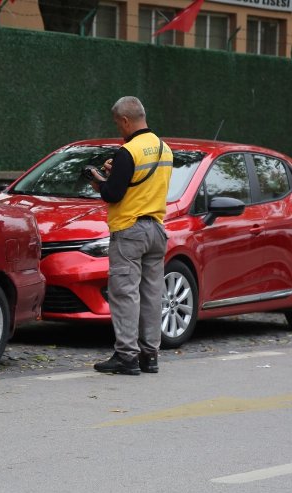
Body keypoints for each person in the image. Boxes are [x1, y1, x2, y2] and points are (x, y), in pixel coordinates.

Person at [87, 96, 173, 375]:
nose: (118, 129)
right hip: (157, 229)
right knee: (151, 294)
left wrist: (99, 181)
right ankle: (150, 355)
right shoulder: (165, 149)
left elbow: (114, 194)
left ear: (125, 120)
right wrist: (117, 175)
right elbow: (140, 183)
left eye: (117, 123)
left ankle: (126, 357)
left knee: (125, 293)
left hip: (129, 230)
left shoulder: (128, 151)